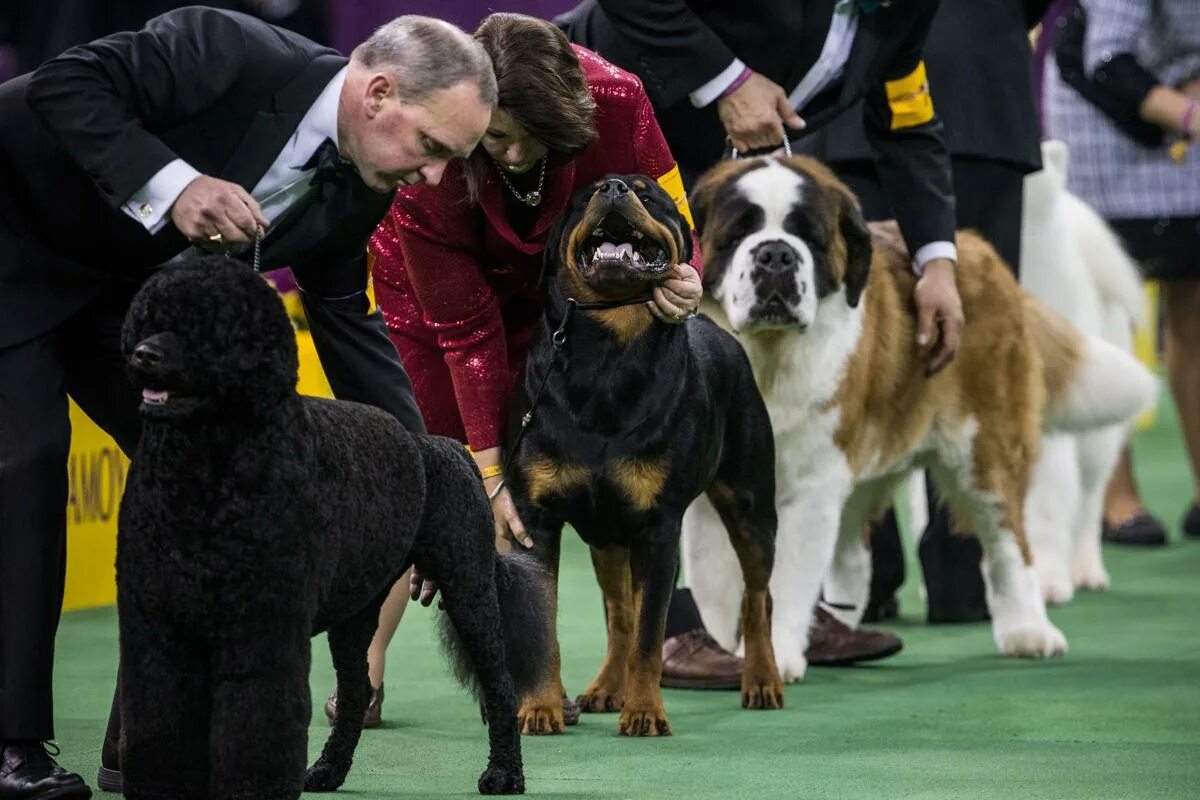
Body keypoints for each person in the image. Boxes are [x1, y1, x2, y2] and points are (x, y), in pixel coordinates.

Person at [0, 8, 495, 798]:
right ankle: (12, 748)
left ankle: (146, 745)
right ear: (377, 92)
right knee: (25, 460)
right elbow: (65, 82)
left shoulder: (366, 185)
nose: (433, 178)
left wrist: (426, 483)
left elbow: (347, 325)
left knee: (214, 464)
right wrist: (176, 184)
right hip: (13, 237)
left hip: (122, 301)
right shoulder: (229, 48)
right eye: (433, 148)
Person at [334, 13, 739, 726]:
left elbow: (671, 220)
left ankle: (626, 650)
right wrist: (489, 477)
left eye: (537, 138)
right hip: (439, 307)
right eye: (499, 136)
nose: (516, 152)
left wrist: (687, 281)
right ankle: (364, 668)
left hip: (577, 288)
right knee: (426, 464)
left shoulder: (618, 99)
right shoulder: (439, 165)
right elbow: (466, 335)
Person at [558, 0, 962, 658]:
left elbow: (907, 124)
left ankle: (768, 614)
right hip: (599, 141)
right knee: (639, 405)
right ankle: (677, 626)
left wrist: (937, 260)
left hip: (718, 203)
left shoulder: (903, 12)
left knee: (727, 421)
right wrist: (728, 81)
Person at [806, 0, 1051, 624]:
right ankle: (959, 580)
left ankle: (858, 585)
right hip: (976, 82)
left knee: (861, 353)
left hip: (845, 100)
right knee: (962, 361)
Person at [1043, 0, 1200, 545]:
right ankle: (1112, 499)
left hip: (1178, 119)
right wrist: (1187, 115)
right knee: (1104, 317)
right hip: (1103, 125)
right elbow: (1106, 59)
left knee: (1195, 313)